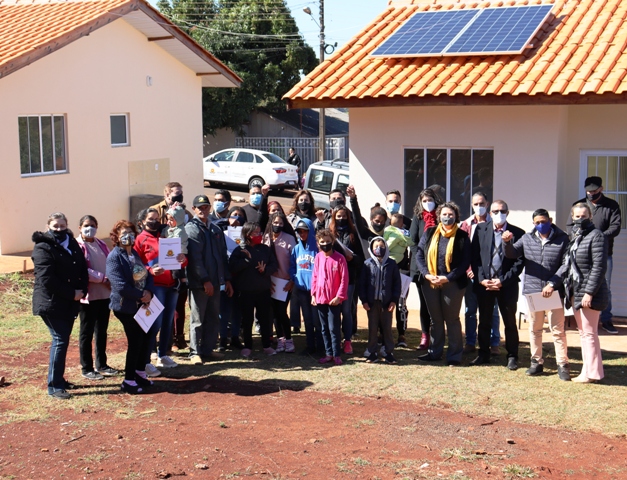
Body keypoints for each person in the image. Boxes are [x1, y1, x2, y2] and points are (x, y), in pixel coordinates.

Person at [503, 209, 571, 380]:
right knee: (535, 328)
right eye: (537, 222)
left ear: (550, 220)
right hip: (534, 291)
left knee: (557, 330)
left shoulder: (562, 238)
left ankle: (562, 364)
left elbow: (565, 265)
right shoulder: (527, 238)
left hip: (553, 291)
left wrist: (552, 284)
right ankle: (536, 362)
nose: (541, 225)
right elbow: (512, 254)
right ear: (533, 223)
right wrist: (507, 243)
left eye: (544, 221)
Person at [32, 213, 88, 399]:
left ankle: (59, 380)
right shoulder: (42, 248)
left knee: (62, 340)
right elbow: (47, 279)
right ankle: (54, 386)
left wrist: (82, 289)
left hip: (68, 302)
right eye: (55, 226)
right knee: (60, 339)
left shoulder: (70, 243)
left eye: (62, 226)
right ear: (48, 226)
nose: (59, 229)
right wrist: (72, 293)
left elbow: (82, 267)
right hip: (51, 303)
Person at [556, 203, 608, 383]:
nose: (580, 219)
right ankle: (592, 371)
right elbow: (568, 265)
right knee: (585, 333)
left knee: (589, 333)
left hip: (589, 293)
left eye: (583, 216)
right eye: (576, 216)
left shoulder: (597, 236)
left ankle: (591, 374)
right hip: (576, 292)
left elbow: (599, 267)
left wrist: (589, 293)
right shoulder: (576, 237)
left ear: (590, 217)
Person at [471, 200, 524, 370]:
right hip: (485, 284)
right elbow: (475, 257)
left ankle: (512, 356)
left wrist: (502, 281)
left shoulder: (518, 233)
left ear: (507, 213)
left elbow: (519, 262)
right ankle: (483, 353)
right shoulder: (481, 229)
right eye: (495, 211)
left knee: (509, 322)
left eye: (502, 211)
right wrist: (481, 279)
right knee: (484, 321)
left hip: (506, 285)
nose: (498, 214)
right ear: (490, 212)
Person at [416, 202, 471, 365]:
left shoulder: (462, 236)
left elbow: (465, 261)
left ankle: (454, 356)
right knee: (435, 319)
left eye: (451, 214)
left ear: (456, 216)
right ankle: (435, 352)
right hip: (430, 282)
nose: (448, 217)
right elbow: (419, 254)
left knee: (452, 319)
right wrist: (426, 275)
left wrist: (448, 277)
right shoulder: (430, 232)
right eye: (445, 214)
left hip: (452, 283)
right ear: (439, 215)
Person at [135, 208, 186, 374]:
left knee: (167, 322)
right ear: (142, 221)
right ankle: (146, 359)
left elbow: (179, 261)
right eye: (150, 219)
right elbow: (136, 265)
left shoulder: (166, 236)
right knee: (153, 323)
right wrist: (149, 270)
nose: (154, 221)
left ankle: (163, 354)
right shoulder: (140, 240)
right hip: (154, 286)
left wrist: (183, 260)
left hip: (172, 284)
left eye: (157, 218)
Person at [106, 220, 155, 394]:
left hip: (142, 304)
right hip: (125, 306)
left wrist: (149, 291)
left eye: (131, 232)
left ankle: (140, 373)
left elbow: (147, 274)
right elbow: (119, 286)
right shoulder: (114, 257)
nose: (128, 236)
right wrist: (141, 295)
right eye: (123, 233)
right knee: (135, 341)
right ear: (117, 237)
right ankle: (128, 380)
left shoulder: (134, 253)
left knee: (145, 338)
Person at [185, 195, 232, 365]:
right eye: (200, 207)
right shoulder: (192, 229)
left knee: (213, 317)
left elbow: (222, 257)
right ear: (194, 209)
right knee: (197, 318)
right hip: (200, 284)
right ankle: (194, 352)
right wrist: (204, 280)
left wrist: (226, 279)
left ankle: (208, 349)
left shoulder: (215, 230)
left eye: (206, 207)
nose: (203, 210)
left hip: (216, 281)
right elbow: (195, 259)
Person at [572, 176, 621, 334]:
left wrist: (597, 238)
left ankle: (606, 319)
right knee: (580, 285)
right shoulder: (579, 206)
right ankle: (582, 318)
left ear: (601, 189)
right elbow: (569, 227)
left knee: (604, 286)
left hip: (603, 252)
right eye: (588, 191)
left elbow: (616, 227)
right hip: (581, 255)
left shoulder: (611, 205)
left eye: (594, 191)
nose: (591, 193)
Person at [150, 182, 192, 353]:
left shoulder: (185, 211)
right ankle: (159, 343)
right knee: (159, 308)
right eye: (176, 194)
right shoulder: (155, 211)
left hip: (180, 263)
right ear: (167, 196)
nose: (179, 197)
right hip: (161, 265)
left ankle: (178, 338)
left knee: (179, 304)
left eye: (181, 193)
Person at [76, 215, 117, 380]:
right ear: (80, 227)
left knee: (102, 331)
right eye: (86, 225)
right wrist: (103, 278)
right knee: (86, 332)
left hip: (104, 294)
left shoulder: (100, 244)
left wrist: (112, 279)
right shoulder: (77, 245)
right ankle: (87, 367)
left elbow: (110, 264)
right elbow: (81, 270)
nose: (89, 228)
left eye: (93, 225)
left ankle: (102, 364)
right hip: (89, 296)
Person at [460, 192, 501, 355]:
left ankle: (494, 343)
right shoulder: (466, 225)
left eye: (482, 203)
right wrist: (469, 270)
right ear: (471, 205)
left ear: (488, 203)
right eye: (476, 204)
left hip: (491, 276)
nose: (479, 207)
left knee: (493, 310)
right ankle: (470, 342)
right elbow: (463, 251)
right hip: (471, 276)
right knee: (470, 310)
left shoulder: (495, 222)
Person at [229, 222, 278, 358]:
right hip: (245, 291)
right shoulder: (240, 250)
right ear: (247, 235)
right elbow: (232, 268)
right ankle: (248, 346)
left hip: (263, 290)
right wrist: (246, 261)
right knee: (247, 320)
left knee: (265, 319)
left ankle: (266, 345)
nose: (259, 235)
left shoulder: (265, 249)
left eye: (260, 232)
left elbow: (274, 265)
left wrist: (265, 270)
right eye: (255, 233)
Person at [359, 236, 401, 364]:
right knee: (372, 328)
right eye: (376, 246)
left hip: (387, 303)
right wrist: (364, 300)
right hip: (372, 303)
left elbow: (396, 284)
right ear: (371, 248)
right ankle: (372, 352)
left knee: (387, 328)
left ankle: (388, 352)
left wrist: (394, 300)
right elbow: (362, 284)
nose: (379, 249)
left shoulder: (392, 264)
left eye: (381, 246)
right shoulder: (367, 264)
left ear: (386, 247)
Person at [329, 205, 363, 354]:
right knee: (334, 311)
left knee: (347, 310)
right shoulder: (329, 234)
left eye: (343, 216)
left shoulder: (353, 234)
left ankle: (347, 341)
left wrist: (352, 258)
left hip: (349, 278)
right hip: (332, 279)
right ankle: (335, 340)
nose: (341, 219)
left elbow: (361, 258)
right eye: (338, 216)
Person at [311, 229, 349, 366]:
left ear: (332, 242)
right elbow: (314, 277)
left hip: (334, 300)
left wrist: (339, 296)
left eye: (328, 242)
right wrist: (313, 294)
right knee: (324, 327)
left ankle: (336, 354)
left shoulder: (340, 258)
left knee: (334, 328)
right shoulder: (318, 257)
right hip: (320, 298)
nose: (325, 244)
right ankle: (328, 354)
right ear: (318, 243)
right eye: (322, 242)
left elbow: (344, 279)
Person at [409, 189, 440, 350]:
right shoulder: (418, 218)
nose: (428, 203)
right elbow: (412, 242)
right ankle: (425, 335)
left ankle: (438, 335)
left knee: (438, 304)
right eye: (425, 200)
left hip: (439, 268)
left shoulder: (443, 216)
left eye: (430, 200)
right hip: (421, 269)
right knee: (425, 303)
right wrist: (422, 261)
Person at [264, 212, 296, 353]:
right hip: (269, 282)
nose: (277, 225)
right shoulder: (265, 238)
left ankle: (289, 340)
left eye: (281, 223)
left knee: (282, 311)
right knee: (274, 313)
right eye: (275, 223)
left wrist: (292, 280)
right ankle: (280, 340)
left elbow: (295, 262)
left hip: (285, 282)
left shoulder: (289, 239)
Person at [289, 218, 323, 353]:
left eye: (305, 231)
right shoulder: (296, 248)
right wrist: (294, 278)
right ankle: (310, 346)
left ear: (311, 231)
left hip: (316, 291)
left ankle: (321, 346)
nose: (302, 234)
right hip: (301, 290)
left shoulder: (317, 248)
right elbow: (292, 266)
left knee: (317, 320)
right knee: (307, 320)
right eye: (299, 231)